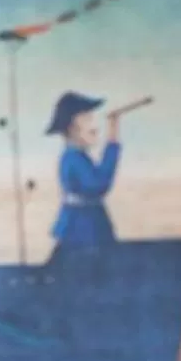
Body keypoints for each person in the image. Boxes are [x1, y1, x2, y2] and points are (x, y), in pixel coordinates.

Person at [47, 91, 122, 248]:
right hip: (80, 228)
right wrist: (112, 140)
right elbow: (98, 184)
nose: (95, 127)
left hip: (88, 224)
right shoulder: (73, 158)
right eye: (87, 119)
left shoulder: (78, 156)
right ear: (71, 128)